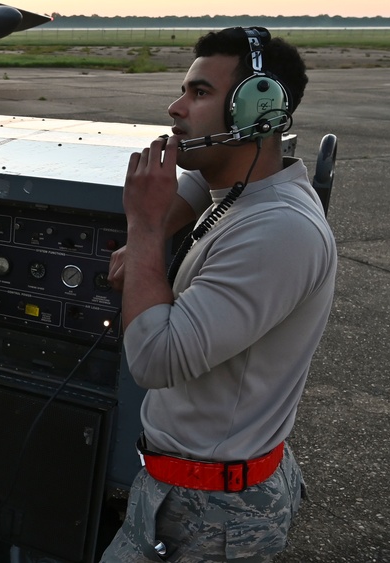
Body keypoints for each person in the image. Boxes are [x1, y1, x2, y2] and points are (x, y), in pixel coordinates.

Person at [100, 27, 337, 562]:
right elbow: (203, 186)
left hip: (213, 513)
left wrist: (142, 228)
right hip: (185, 486)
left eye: (200, 93)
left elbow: (155, 359)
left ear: (257, 111)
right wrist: (159, 229)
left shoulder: (277, 232)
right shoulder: (247, 189)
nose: (175, 106)